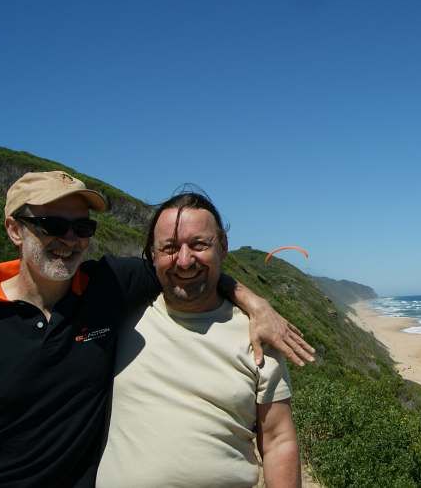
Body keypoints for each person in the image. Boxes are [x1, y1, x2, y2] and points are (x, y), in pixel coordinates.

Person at [0, 171, 312, 488]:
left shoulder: (107, 289)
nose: (70, 240)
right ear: (14, 229)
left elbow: (190, 272)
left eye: (82, 227)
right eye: (53, 225)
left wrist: (256, 303)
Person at [96, 192, 299, 487]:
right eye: (169, 247)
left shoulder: (258, 335)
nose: (184, 260)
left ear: (223, 247)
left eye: (199, 244)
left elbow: (278, 441)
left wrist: (255, 304)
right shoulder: (119, 315)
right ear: (152, 254)